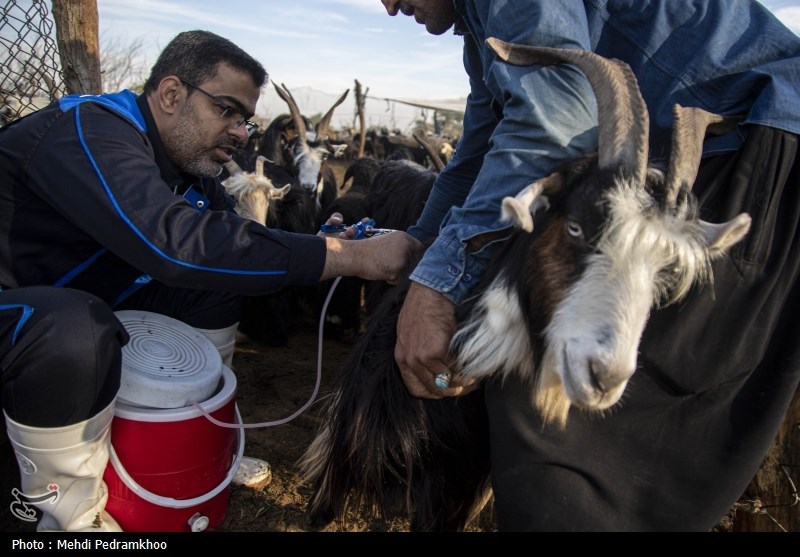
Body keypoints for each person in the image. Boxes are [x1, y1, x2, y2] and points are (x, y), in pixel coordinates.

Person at [383, 0, 800, 531]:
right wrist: (421, 247)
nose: (390, 6)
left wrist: (437, 291)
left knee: (557, 438)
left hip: (751, 146)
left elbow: (556, 120)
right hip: (740, 140)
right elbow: (482, 146)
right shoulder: (480, 25)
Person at [0, 29, 422, 532]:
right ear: (173, 94)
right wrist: (352, 258)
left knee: (219, 283)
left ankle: (200, 439)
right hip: (27, 316)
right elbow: (171, 243)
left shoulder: (188, 171)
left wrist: (328, 238)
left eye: (246, 119)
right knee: (74, 330)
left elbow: (237, 244)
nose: (242, 133)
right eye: (227, 110)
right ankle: (62, 515)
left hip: (81, 305)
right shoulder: (90, 130)